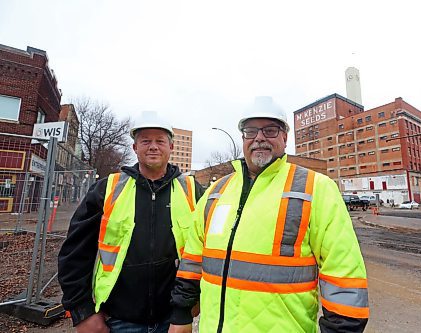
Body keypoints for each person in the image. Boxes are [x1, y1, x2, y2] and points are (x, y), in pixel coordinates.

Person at [169, 97, 369, 333]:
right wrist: (181, 314)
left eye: (270, 130)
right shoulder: (216, 191)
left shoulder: (316, 188)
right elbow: (193, 257)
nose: (259, 138)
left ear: (285, 137)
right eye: (250, 131)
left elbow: (344, 275)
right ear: (243, 138)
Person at [58, 122, 203, 333]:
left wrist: (189, 307)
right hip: (117, 321)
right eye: (146, 141)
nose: (153, 146)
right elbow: (75, 254)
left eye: (160, 141)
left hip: (174, 321)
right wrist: (82, 313)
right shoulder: (107, 189)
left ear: (171, 147)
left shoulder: (192, 191)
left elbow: (206, 252)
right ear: (135, 148)